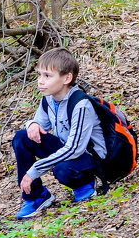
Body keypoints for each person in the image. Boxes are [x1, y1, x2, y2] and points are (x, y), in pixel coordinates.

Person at [11, 48, 105, 219]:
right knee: (22, 137)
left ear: (67, 78)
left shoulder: (81, 105)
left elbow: (75, 149)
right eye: (39, 75)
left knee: (63, 170)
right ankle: (37, 197)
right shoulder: (48, 98)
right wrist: (32, 124)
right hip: (69, 150)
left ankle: (84, 184)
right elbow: (40, 124)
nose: (40, 81)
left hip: (89, 156)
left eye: (47, 76)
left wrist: (33, 171)